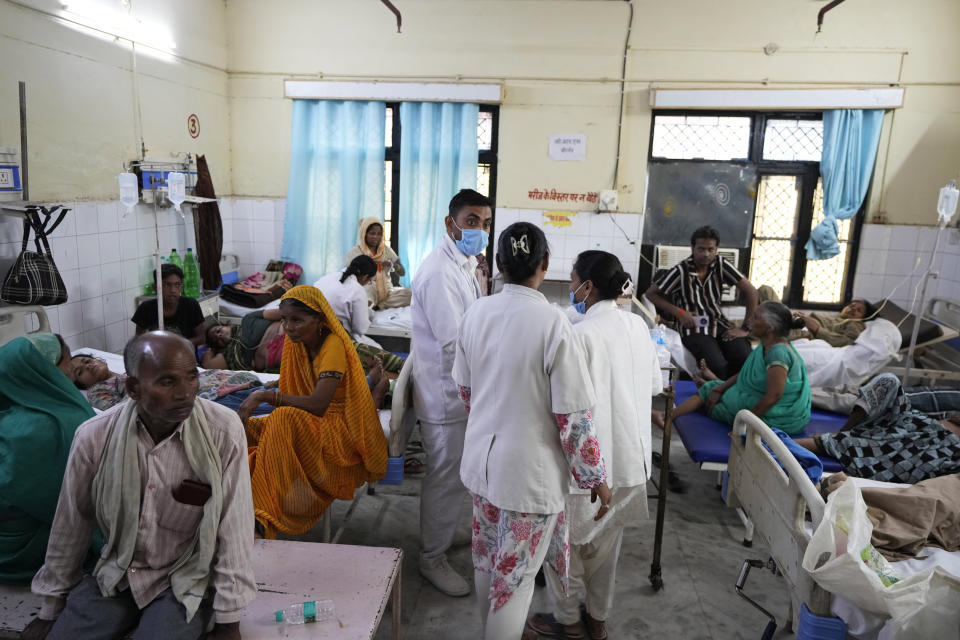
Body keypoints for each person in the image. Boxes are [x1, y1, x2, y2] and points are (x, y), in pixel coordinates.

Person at [26, 332, 256, 640]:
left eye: (191, 377)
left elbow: (235, 525)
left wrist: (229, 620)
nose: (185, 393)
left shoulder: (223, 432)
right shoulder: (94, 436)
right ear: (134, 388)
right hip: (116, 573)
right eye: (167, 382)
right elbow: (72, 522)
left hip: (186, 577)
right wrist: (50, 608)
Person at [453, 222, 612, 640]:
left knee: (488, 561)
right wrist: (594, 476)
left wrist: (495, 419)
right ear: (545, 263)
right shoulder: (554, 324)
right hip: (528, 476)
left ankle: (493, 629)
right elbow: (573, 417)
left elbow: (466, 390)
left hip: (483, 465)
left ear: (500, 264)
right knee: (517, 579)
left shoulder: (476, 312)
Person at [528, 251, 663, 640]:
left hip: (590, 470)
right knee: (606, 550)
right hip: (632, 466)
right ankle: (598, 621)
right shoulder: (638, 326)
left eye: (572, 281)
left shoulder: (579, 335)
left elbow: (565, 404)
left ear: (588, 286)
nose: (570, 288)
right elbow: (654, 386)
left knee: (565, 551)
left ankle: (569, 622)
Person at [236, 286, 388, 539]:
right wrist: (270, 390)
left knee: (282, 418)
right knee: (242, 428)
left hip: (339, 431)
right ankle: (236, 500)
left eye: (297, 319)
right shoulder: (298, 345)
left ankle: (262, 516)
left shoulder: (333, 346)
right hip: (316, 423)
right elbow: (296, 385)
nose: (288, 326)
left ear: (319, 319)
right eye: (284, 319)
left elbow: (318, 405)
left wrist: (264, 396)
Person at [411, 188, 493, 596]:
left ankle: (442, 533)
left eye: (486, 223)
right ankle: (431, 558)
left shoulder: (464, 263)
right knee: (443, 476)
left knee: (456, 473)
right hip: (445, 393)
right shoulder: (439, 272)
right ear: (451, 223)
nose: (480, 230)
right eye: (472, 221)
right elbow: (453, 341)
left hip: (460, 390)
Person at [0, 335, 95, 584]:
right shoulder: (59, 422)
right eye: (67, 365)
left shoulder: (8, 409)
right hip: (26, 551)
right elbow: (83, 505)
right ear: (43, 372)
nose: (71, 371)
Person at [674, 301, 811, 435]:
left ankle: (666, 417)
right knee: (714, 390)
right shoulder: (767, 346)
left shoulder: (778, 353)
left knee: (713, 403)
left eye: (756, 317)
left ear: (770, 327)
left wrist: (743, 424)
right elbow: (745, 373)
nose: (749, 320)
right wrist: (719, 389)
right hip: (770, 404)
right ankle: (709, 386)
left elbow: (774, 396)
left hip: (780, 416)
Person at [796, 373, 960, 484]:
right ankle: (843, 433)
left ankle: (779, 445)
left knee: (856, 444)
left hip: (928, 447)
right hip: (913, 422)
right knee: (889, 380)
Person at [645, 225, 759, 379]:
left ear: (717, 249)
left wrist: (745, 328)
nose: (706, 254)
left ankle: (734, 398)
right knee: (716, 365)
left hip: (719, 324)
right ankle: (713, 397)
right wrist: (679, 313)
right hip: (692, 327)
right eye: (701, 249)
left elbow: (751, 291)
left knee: (745, 358)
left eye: (711, 249)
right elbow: (651, 294)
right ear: (692, 248)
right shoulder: (681, 271)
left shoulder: (721, 265)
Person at [71, 353, 273, 416]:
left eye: (87, 360)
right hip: (204, 397)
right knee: (269, 406)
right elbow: (122, 409)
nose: (88, 366)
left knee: (272, 392)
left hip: (208, 381)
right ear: (80, 383)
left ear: (100, 359)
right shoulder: (99, 391)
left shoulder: (129, 370)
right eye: (80, 371)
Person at [315, 255, 406, 375]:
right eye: (369, 281)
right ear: (365, 277)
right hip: (338, 336)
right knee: (379, 352)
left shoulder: (325, 279)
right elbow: (360, 328)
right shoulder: (356, 289)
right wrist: (368, 313)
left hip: (315, 331)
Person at [758, 285, 875, 347]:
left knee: (758, 324)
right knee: (766, 290)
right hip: (793, 321)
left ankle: (746, 329)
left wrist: (816, 328)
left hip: (802, 331)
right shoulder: (834, 318)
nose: (853, 309)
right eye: (852, 305)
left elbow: (847, 342)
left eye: (859, 310)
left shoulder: (855, 324)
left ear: (864, 317)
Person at [132, 263, 206, 347]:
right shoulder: (145, 308)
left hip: (185, 357)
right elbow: (138, 340)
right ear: (155, 287)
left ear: (182, 287)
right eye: (167, 285)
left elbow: (201, 338)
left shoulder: (191, 305)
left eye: (177, 285)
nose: (173, 290)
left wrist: (176, 345)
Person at [344, 217, 411, 309]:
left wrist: (394, 265)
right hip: (367, 287)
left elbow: (402, 273)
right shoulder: (355, 252)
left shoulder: (386, 251)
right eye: (372, 233)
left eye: (379, 234)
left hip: (387, 292)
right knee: (366, 292)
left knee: (410, 295)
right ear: (364, 234)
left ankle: (379, 306)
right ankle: (369, 305)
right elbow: (349, 276)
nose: (376, 237)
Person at [201, 309, 285, 373]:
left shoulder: (248, 319)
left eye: (218, 330)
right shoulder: (231, 355)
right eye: (216, 340)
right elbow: (207, 365)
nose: (219, 335)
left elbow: (284, 313)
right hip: (280, 357)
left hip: (287, 332)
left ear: (227, 325)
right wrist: (210, 350)